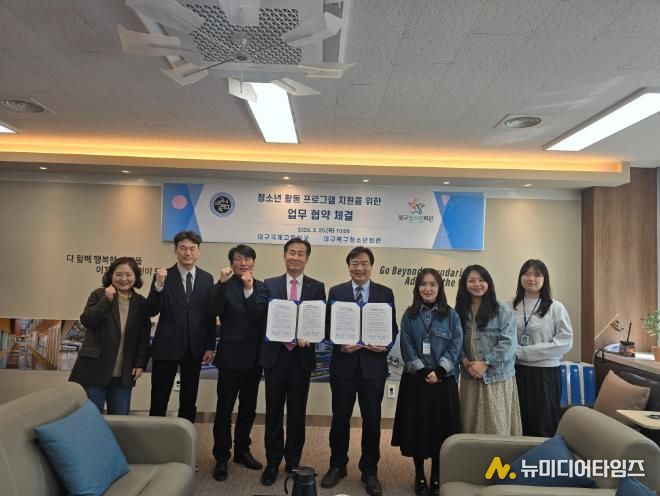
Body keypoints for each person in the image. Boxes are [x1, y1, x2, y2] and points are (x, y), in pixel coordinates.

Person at [321, 246, 397, 496]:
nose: (360, 268)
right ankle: (337, 465)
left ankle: (369, 471)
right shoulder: (337, 291)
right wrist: (340, 344)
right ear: (349, 266)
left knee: (372, 420)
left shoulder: (385, 293)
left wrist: (384, 345)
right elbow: (328, 326)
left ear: (371, 266)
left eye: (364, 263)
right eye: (355, 264)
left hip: (372, 368)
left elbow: (392, 328)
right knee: (340, 418)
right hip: (344, 366)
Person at [260, 238, 326, 486]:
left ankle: (293, 461)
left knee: (297, 413)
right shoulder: (269, 284)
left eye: (301, 254)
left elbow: (320, 320)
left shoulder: (317, 287)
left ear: (307, 258)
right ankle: (272, 462)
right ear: (284, 255)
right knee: (273, 412)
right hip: (276, 358)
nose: (296, 257)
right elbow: (261, 317)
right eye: (292, 253)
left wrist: (312, 336)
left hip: (301, 358)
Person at [392, 268, 462, 496]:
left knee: (441, 431)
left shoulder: (452, 315)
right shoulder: (409, 315)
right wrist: (423, 371)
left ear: (439, 288)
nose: (428, 289)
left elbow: (456, 344)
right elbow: (406, 345)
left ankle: (437, 476)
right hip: (416, 381)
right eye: (423, 284)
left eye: (432, 284)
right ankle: (420, 475)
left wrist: (440, 371)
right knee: (418, 430)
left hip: (443, 382)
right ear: (417, 288)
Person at [147, 231, 216, 424]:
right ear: (175, 250)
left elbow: (209, 315)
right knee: (159, 397)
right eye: (183, 248)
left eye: (192, 249)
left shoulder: (207, 279)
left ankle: (186, 435)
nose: (187, 253)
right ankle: (154, 435)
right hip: (166, 347)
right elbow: (151, 310)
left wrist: (210, 346)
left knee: (189, 397)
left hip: (194, 348)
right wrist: (158, 286)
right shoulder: (163, 276)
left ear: (198, 251)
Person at [212, 244, 268, 482]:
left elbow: (258, 315)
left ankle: (242, 451)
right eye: (238, 259)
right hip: (230, 357)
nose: (243, 263)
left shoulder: (262, 287)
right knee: (224, 408)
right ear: (231, 263)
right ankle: (221, 456)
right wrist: (221, 284)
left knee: (248, 408)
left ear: (253, 262)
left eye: (247, 259)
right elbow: (212, 310)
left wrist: (248, 289)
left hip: (254, 358)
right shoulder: (223, 285)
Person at [70, 257, 152, 414]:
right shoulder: (99, 294)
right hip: (94, 370)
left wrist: (140, 363)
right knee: (92, 417)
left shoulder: (140, 302)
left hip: (123, 373)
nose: (123, 279)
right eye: (118, 274)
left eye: (128, 274)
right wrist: (106, 301)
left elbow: (144, 336)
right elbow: (88, 321)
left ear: (136, 277)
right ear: (111, 276)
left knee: (120, 419)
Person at [455, 264, 522, 436]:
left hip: (496, 378)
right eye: (471, 281)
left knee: (497, 429)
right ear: (464, 284)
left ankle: (498, 456)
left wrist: (485, 363)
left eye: (481, 280)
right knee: (469, 429)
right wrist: (465, 361)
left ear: (488, 283)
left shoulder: (502, 311)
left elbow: (509, 344)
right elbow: (455, 341)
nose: (477, 284)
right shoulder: (459, 312)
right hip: (470, 377)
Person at [510, 259, 573, 437]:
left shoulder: (555, 307)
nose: (531, 278)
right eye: (527, 273)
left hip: (545, 374)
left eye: (537, 275)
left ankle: (543, 455)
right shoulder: (508, 305)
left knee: (543, 424)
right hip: (515, 371)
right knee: (518, 423)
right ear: (520, 277)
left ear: (545, 279)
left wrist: (522, 352)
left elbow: (564, 342)